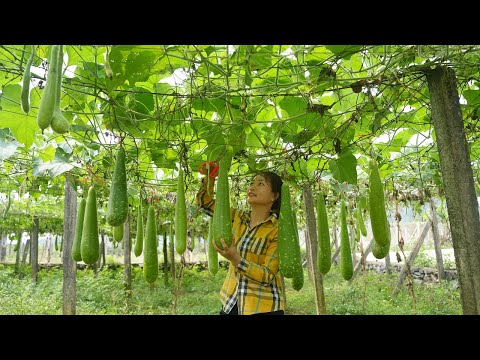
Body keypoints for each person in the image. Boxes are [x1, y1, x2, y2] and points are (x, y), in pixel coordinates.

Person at [196, 161, 286, 315]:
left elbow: (267, 275)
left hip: (262, 307)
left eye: (260, 184)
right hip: (231, 302)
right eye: (252, 183)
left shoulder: (277, 230)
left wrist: (235, 258)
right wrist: (209, 178)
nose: (252, 187)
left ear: (275, 195)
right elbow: (205, 203)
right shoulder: (238, 217)